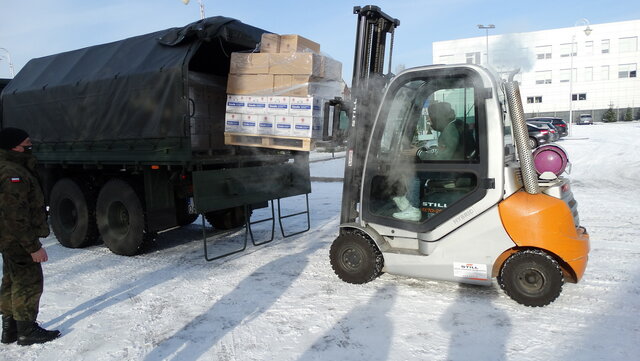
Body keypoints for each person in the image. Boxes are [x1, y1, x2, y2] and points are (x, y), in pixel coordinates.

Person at [0, 127, 60, 346]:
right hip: (16, 239)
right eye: (26, 143)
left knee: (11, 280)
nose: (30, 145)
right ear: (14, 146)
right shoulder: (12, 173)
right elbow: (16, 216)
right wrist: (33, 247)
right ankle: (27, 330)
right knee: (28, 282)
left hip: (7, 238)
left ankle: (10, 330)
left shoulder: (10, 166)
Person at [392, 101, 464, 221]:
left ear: (439, 117)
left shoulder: (450, 131)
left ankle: (413, 208)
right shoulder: (452, 126)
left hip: (450, 171)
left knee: (415, 172)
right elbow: (444, 151)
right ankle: (408, 199)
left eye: (431, 119)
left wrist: (419, 152)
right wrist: (424, 149)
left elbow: (442, 158)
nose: (429, 121)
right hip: (454, 166)